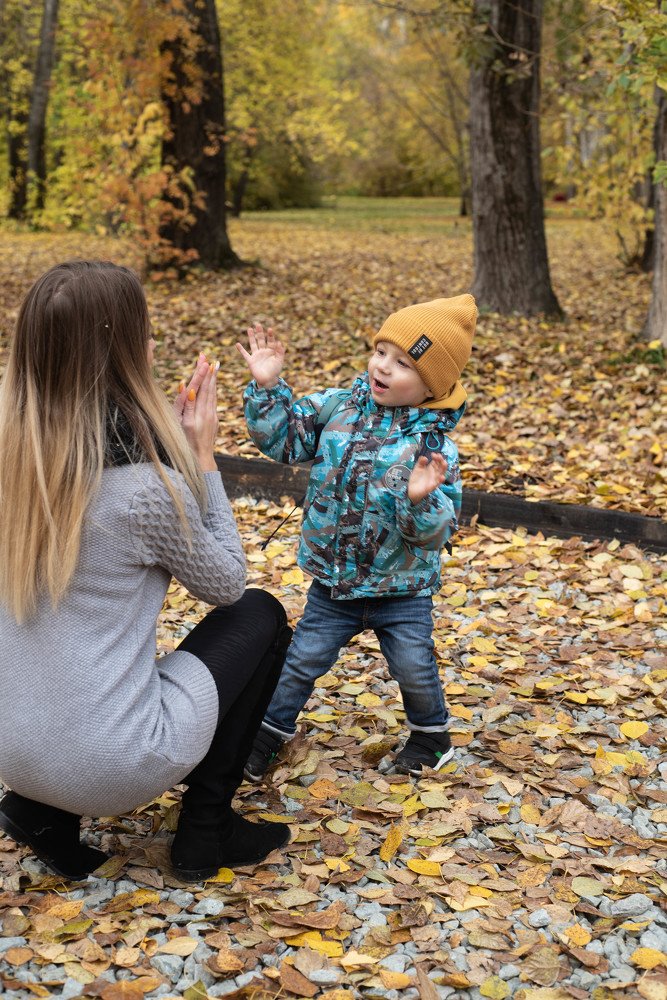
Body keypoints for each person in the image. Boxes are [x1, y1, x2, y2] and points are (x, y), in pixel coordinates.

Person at [0, 260, 291, 883]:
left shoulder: (11, 461)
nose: (154, 344)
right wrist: (202, 455)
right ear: (122, 355)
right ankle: (207, 829)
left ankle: (38, 810)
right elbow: (227, 585)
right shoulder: (139, 492)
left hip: (11, 749)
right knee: (260, 614)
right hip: (111, 765)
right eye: (145, 332)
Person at [237, 294, 477, 779]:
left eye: (403, 363)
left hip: (401, 590)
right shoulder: (338, 407)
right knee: (302, 660)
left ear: (431, 385)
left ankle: (431, 737)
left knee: (412, 665)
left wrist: (419, 500)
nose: (383, 366)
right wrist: (267, 388)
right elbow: (285, 442)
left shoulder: (433, 449)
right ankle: (267, 733)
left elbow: (434, 536)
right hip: (334, 583)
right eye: (381, 351)